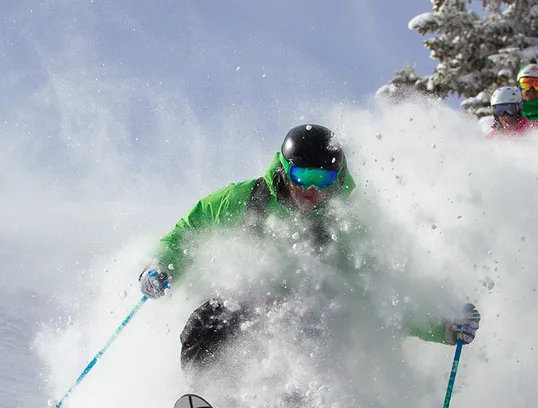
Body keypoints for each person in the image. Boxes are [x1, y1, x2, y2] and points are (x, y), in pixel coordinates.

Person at [138, 124, 481, 375]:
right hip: (246, 304)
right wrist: (160, 265)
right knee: (208, 322)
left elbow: (386, 298)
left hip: (309, 322)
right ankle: (207, 402)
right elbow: (187, 231)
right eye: (303, 176)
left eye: (323, 179)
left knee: (300, 338)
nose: (312, 190)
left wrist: (443, 326)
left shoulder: (345, 227)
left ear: (337, 178)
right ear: (285, 169)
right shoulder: (246, 199)